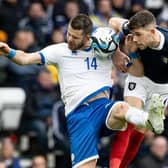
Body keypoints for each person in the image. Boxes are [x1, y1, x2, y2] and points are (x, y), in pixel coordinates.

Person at [0, 14, 164, 168]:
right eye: (69, 34)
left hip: (102, 107)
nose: (70, 39)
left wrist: (116, 52)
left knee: (123, 108)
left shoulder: (103, 47)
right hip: (79, 116)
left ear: (87, 37)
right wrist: (9, 52)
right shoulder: (59, 51)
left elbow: (116, 26)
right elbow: (25, 58)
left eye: (75, 37)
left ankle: (149, 119)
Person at [109, 10, 168, 168]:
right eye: (133, 34)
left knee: (140, 131)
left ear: (152, 32)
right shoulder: (134, 29)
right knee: (129, 118)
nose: (134, 38)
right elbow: (113, 21)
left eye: (138, 35)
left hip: (163, 88)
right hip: (140, 78)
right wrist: (117, 53)